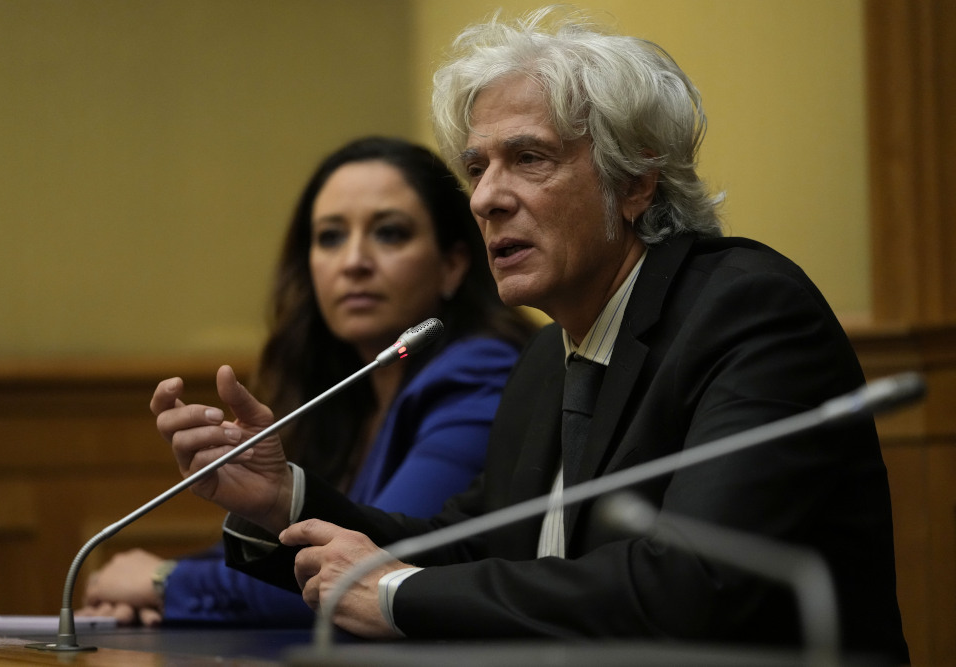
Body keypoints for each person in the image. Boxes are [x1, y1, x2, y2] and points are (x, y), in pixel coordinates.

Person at [157, 7, 908, 661]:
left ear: (635, 181)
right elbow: (475, 545)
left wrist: (397, 597)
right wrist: (280, 499)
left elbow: (692, 586)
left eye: (529, 158)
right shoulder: (548, 355)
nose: (486, 198)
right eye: (477, 167)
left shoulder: (748, 313)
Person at [79, 136, 535, 627]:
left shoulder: (478, 371)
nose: (354, 261)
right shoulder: (347, 388)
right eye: (331, 237)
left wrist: (165, 583)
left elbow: (363, 568)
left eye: (390, 233)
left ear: (452, 265)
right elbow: (291, 549)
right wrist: (156, 585)